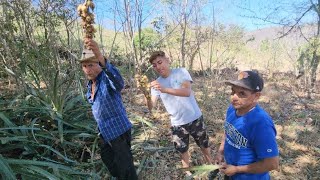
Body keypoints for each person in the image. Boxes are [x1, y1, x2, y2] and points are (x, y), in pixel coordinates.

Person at [144, 51, 213, 177]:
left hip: (194, 117)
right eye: (154, 65)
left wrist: (164, 89)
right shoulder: (156, 84)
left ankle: (211, 165)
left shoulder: (181, 72)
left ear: (167, 60)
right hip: (177, 123)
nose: (158, 67)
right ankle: (187, 172)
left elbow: (186, 91)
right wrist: (146, 94)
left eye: (160, 62)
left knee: (204, 144)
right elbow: (151, 106)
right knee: (183, 150)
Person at [80, 38, 138, 180]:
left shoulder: (105, 78)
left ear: (99, 65)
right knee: (109, 161)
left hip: (118, 131)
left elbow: (118, 82)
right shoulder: (90, 85)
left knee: (126, 167)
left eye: (92, 65)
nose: (88, 69)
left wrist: (100, 57)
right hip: (105, 132)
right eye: (85, 66)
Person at [215, 70, 279, 179]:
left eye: (242, 93)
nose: (234, 97)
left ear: (256, 96)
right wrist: (221, 151)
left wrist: (237, 169)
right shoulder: (232, 108)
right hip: (231, 173)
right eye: (233, 91)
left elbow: (272, 163)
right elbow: (228, 130)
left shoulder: (261, 123)